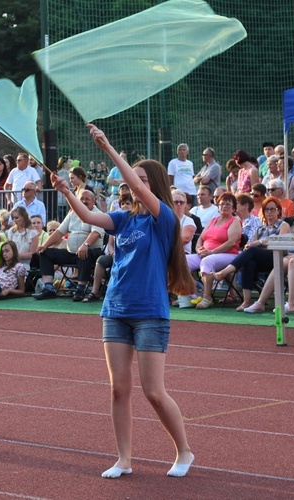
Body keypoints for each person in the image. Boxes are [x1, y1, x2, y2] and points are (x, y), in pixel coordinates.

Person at [54, 124, 194, 479]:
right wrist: (67, 191)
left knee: (154, 391)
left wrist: (109, 149)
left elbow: (133, 185)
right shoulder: (124, 219)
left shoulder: (164, 219)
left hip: (150, 313)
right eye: (137, 179)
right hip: (115, 310)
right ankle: (124, 459)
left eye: (144, 179)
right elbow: (87, 217)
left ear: (155, 185)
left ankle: (184, 451)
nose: (137, 184)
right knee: (118, 388)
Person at [213, 197, 290, 311]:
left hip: (278, 257)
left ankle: (225, 272)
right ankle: (247, 301)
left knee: (252, 250)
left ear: (278, 211)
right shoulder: (260, 229)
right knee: (249, 262)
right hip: (262, 260)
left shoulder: (283, 225)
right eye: (267, 209)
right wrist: (250, 245)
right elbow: (253, 244)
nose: (269, 212)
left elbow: (280, 241)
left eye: (272, 209)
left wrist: (258, 243)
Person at [33, 190, 105, 301]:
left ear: (94, 201)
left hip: (91, 251)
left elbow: (95, 233)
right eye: (82, 199)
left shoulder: (98, 214)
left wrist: (85, 244)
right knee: (45, 252)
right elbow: (59, 232)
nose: (84, 201)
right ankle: (48, 288)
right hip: (71, 252)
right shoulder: (72, 214)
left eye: (87, 199)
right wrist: (45, 245)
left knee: (83, 253)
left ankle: (80, 289)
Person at [187, 193, 242, 309]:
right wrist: (198, 249)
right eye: (222, 204)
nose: (224, 206)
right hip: (205, 254)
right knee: (182, 261)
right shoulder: (213, 220)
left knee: (207, 261)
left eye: (228, 204)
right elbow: (201, 238)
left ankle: (207, 298)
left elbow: (231, 242)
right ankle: (191, 293)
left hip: (228, 255)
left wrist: (212, 252)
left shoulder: (235, 221)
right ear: (218, 206)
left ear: (233, 208)